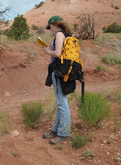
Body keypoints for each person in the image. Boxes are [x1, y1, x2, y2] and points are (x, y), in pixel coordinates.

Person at [42, 16, 73, 145]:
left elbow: (58, 54)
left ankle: (64, 133)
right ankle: (56, 130)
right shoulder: (65, 35)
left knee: (62, 103)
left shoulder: (60, 34)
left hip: (60, 72)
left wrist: (48, 51)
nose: (50, 30)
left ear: (55, 24)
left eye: (50, 27)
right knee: (61, 102)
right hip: (63, 71)